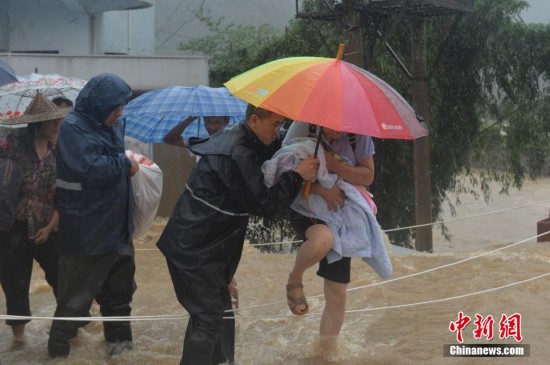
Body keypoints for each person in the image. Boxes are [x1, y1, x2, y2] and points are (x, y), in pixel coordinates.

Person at [156, 104, 319, 365]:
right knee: (208, 315)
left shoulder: (244, 138)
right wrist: (297, 176)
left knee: (221, 311)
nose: (279, 132)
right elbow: (263, 204)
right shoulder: (236, 151)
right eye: (275, 125)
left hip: (208, 245)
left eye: (281, 126)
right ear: (254, 120)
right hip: (194, 248)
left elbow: (267, 152)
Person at [47, 73, 139, 358]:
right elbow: (91, 168)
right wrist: (125, 164)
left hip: (118, 226)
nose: (119, 113)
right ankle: (58, 352)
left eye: (122, 106)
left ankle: (121, 351)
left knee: (120, 296)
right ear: (100, 104)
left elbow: (113, 161)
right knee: (74, 299)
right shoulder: (73, 127)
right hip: (86, 230)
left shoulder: (112, 125)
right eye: (115, 107)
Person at [283, 122, 375, 338]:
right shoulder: (301, 128)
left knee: (337, 295)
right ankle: (295, 279)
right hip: (305, 206)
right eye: (334, 126)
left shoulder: (358, 134)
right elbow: (282, 172)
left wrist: (332, 164)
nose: (339, 132)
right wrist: (320, 189)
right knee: (324, 240)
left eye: (344, 125)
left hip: (342, 213)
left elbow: (368, 176)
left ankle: (325, 354)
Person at [0, 92, 68, 344]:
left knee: (63, 277)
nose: (57, 127)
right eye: (53, 123)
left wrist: (51, 227)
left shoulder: (59, 152)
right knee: (15, 283)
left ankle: (72, 328)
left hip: (47, 225)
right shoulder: (11, 145)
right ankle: (19, 340)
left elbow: (64, 196)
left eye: (59, 123)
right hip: (12, 227)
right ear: (38, 124)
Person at [163, 115, 230, 147]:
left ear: (226, 122)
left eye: (217, 122)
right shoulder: (201, 140)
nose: (212, 127)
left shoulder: (233, 140)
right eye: (208, 121)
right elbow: (169, 139)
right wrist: (190, 118)